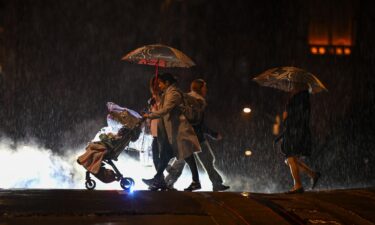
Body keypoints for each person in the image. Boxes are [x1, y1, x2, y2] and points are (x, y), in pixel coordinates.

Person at [165, 79, 230, 191]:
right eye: (204, 87)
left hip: (186, 134)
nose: (206, 89)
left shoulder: (186, 98)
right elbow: (198, 122)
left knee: (182, 161)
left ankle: (168, 182)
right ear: (199, 88)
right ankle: (215, 183)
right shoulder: (198, 101)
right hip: (195, 136)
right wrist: (212, 133)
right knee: (205, 160)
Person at [142, 73, 202, 191]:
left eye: (160, 83)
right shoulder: (168, 93)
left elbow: (165, 110)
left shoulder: (173, 93)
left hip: (180, 130)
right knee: (169, 155)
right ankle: (159, 179)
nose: (159, 85)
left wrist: (149, 115)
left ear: (167, 83)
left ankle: (160, 179)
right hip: (174, 132)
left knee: (187, 156)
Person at [279, 86, 320, 194]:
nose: (291, 88)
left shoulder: (295, 100)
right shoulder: (305, 99)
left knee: (290, 158)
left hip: (294, 132)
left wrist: (286, 115)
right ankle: (313, 174)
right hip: (300, 132)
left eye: (293, 86)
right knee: (291, 159)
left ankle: (298, 186)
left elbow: (289, 117)